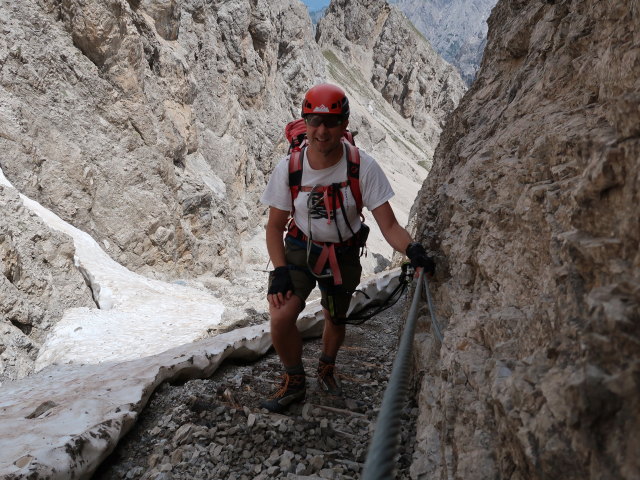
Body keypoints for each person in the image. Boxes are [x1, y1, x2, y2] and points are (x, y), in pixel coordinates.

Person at [259, 83, 434, 413]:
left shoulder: (363, 167)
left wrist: (413, 250)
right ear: (305, 123)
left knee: (334, 318)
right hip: (299, 247)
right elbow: (274, 226)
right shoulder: (290, 168)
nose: (321, 131)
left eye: (331, 123)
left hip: (343, 252)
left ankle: (326, 367)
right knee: (281, 316)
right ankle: (295, 380)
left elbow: (390, 226)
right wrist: (280, 271)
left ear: (344, 125)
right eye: (314, 122)